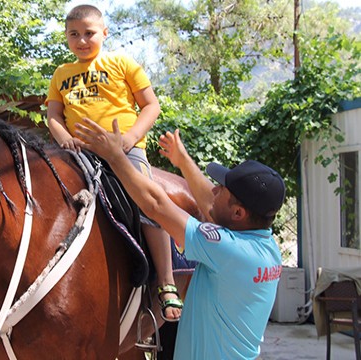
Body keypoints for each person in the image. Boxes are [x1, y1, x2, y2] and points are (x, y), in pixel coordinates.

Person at [75, 119, 285, 359]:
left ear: (239, 213)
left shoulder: (228, 250)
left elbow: (155, 205)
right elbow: (210, 204)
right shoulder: (265, 247)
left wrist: (114, 156)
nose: (214, 190)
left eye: (222, 189)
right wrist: (183, 161)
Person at [45, 4, 182, 321]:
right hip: (78, 152)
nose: (81, 41)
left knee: (149, 201)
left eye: (89, 33)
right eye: (74, 34)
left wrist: (129, 138)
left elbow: (151, 105)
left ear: (104, 33)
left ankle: (165, 281)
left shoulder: (122, 63)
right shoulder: (61, 74)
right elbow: (53, 115)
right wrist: (63, 137)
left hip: (123, 150)